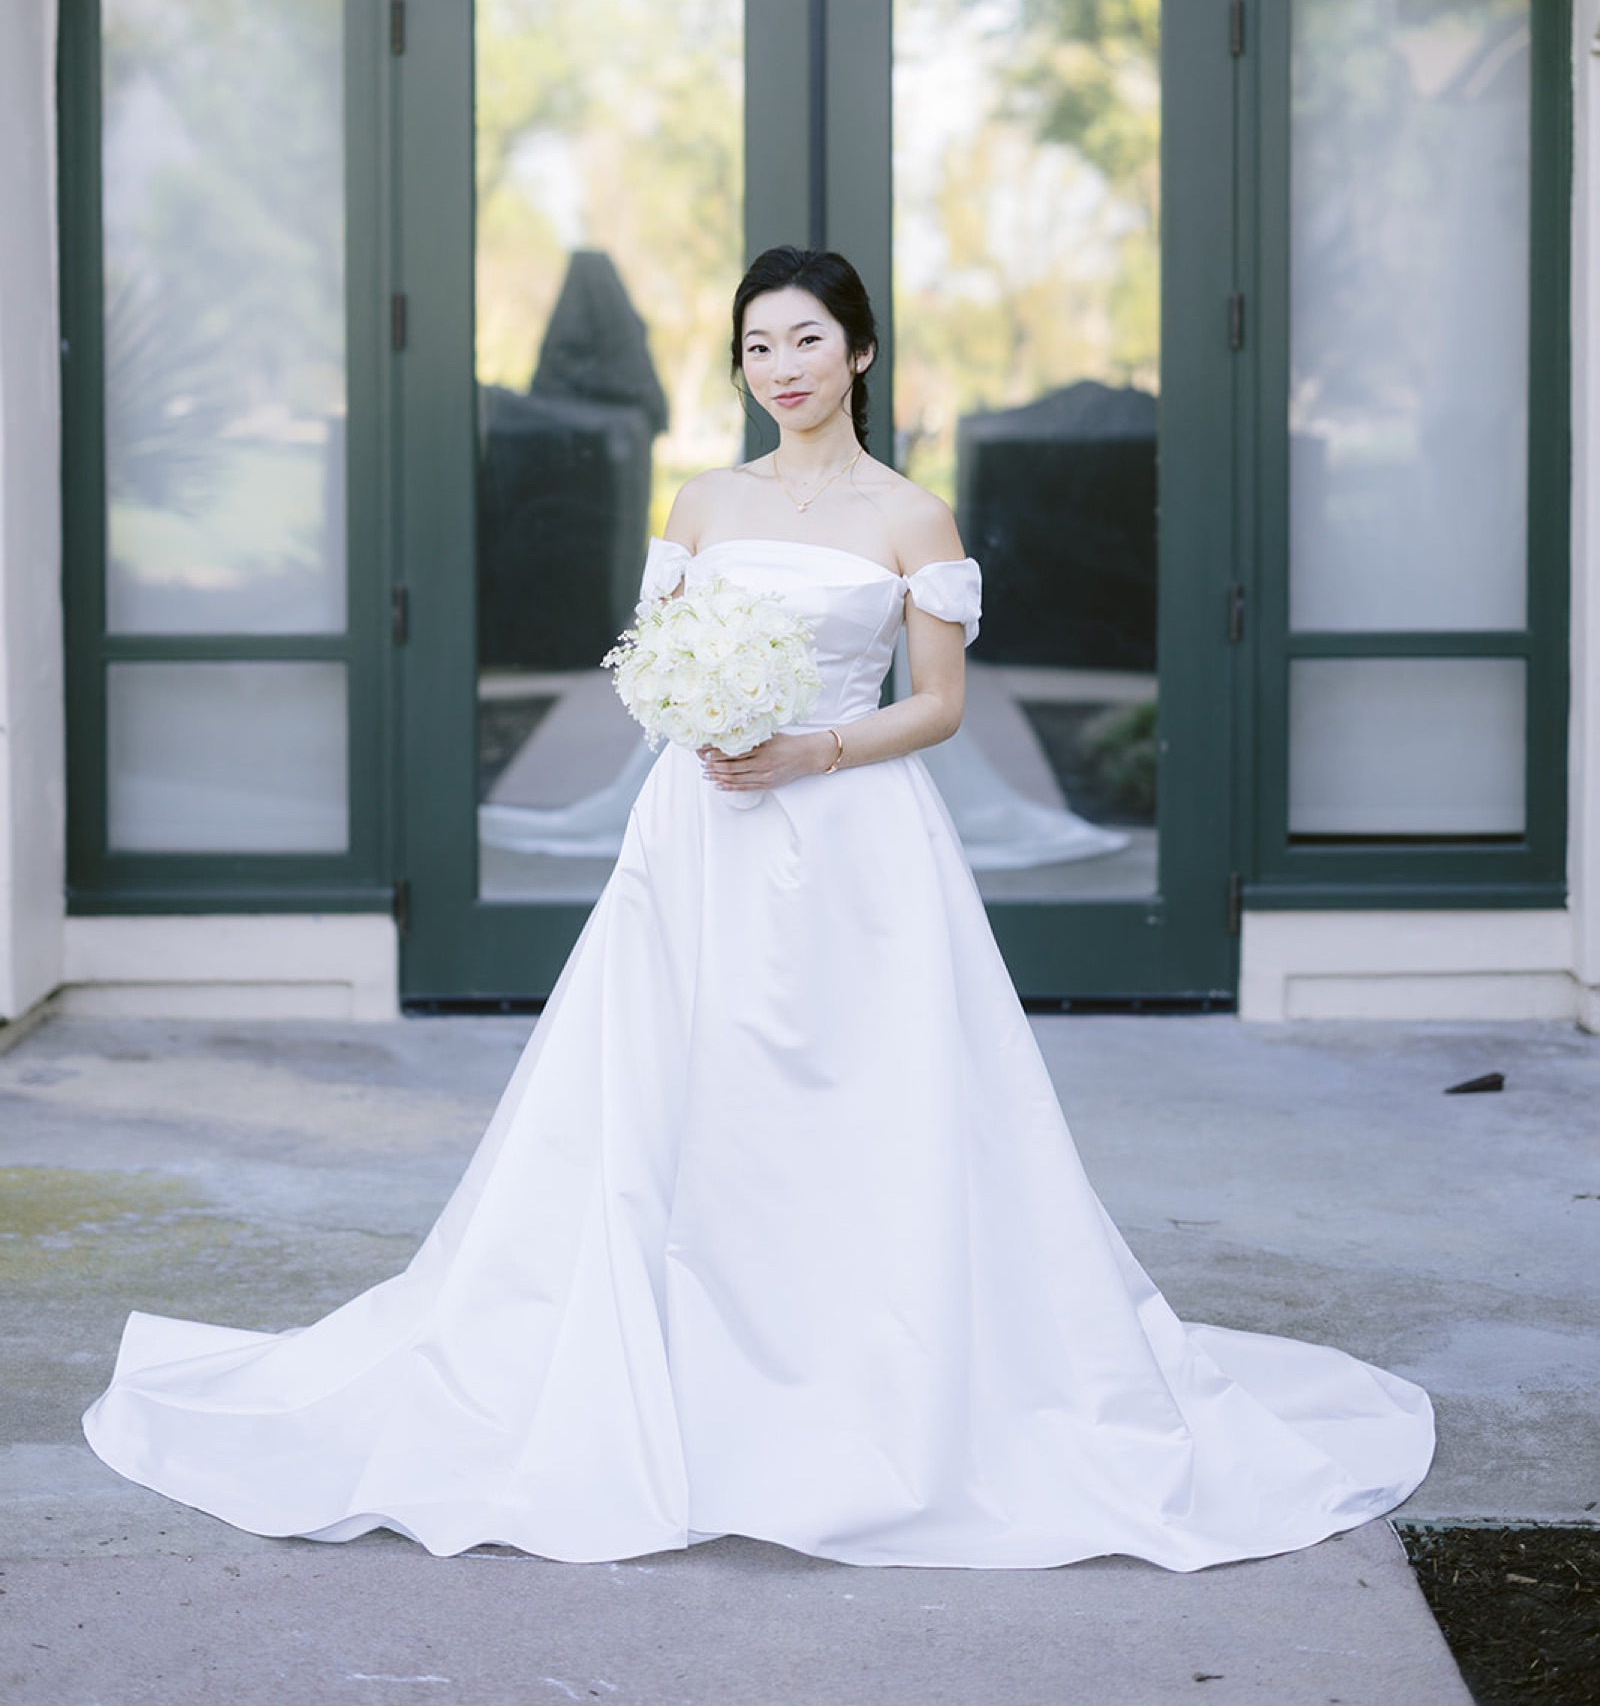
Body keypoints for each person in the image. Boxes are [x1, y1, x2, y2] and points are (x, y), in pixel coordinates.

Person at [83, 245, 1433, 1569]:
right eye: (755, 346)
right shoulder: (701, 505)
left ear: (858, 352)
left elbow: (942, 706)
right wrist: (702, 720)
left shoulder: (913, 517)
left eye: (803, 340)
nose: (779, 368)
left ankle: (867, 1380)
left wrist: (809, 749)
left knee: (869, 1097)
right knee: (672, 1092)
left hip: (855, 842)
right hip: (702, 835)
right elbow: (654, 666)